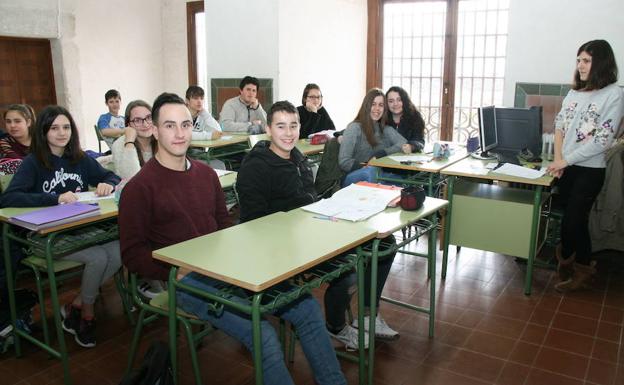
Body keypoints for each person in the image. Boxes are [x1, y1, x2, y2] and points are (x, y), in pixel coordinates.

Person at [119, 94, 345, 385]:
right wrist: (177, 269)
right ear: (154, 129)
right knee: (263, 335)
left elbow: (225, 225)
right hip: (186, 281)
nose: (179, 133)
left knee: (308, 309)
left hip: (228, 269)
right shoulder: (140, 187)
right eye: (170, 125)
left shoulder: (205, 174)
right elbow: (132, 254)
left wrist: (239, 255)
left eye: (186, 124)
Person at [237, 100, 398, 352]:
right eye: (281, 127)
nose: (289, 133)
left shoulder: (297, 156)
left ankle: (368, 316)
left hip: (311, 228)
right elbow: (253, 223)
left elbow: (308, 198)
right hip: (280, 244)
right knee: (349, 268)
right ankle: (336, 327)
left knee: (386, 243)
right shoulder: (256, 166)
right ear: (268, 129)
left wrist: (329, 210)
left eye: (293, 126)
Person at [1, 105, 122, 348]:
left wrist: (107, 184)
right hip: (45, 236)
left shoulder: (79, 159)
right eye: (54, 128)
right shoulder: (33, 162)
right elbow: (9, 197)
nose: (61, 133)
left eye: (66, 127)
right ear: (43, 131)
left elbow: (113, 178)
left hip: (79, 229)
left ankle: (76, 305)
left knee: (119, 250)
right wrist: (54, 197)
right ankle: (86, 313)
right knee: (99, 257)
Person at [546, 39, 624, 292]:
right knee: (571, 221)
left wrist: (564, 160)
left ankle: (581, 267)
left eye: (586, 60)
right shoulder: (573, 93)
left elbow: (603, 140)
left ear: (600, 63)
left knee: (573, 221)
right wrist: (559, 160)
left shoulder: (614, 94)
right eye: (579, 60)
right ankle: (567, 262)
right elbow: (559, 126)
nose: (580, 65)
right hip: (566, 167)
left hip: (590, 170)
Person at [338, 88, 406, 186]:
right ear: (366, 105)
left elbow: (403, 143)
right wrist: (367, 165)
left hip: (377, 173)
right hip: (353, 176)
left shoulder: (385, 129)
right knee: (371, 172)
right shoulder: (354, 127)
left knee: (401, 181)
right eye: (373, 104)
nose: (377, 108)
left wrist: (382, 153)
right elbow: (344, 161)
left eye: (381, 105)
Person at [111, 100, 158, 180]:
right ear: (129, 124)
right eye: (137, 120)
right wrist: (129, 142)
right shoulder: (118, 145)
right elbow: (132, 180)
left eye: (149, 117)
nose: (146, 124)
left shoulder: (162, 137)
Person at [385, 86, 426, 153]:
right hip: (384, 158)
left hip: (407, 159)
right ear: (386, 103)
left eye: (399, 100)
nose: (395, 104)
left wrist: (411, 146)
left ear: (405, 101)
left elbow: (420, 141)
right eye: (391, 101)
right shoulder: (382, 120)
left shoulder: (415, 117)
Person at [1, 104, 35, 174]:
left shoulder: (40, 140)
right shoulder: (4, 143)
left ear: (28, 122)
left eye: (17, 121)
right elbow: (19, 163)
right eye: (8, 121)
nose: (12, 125)